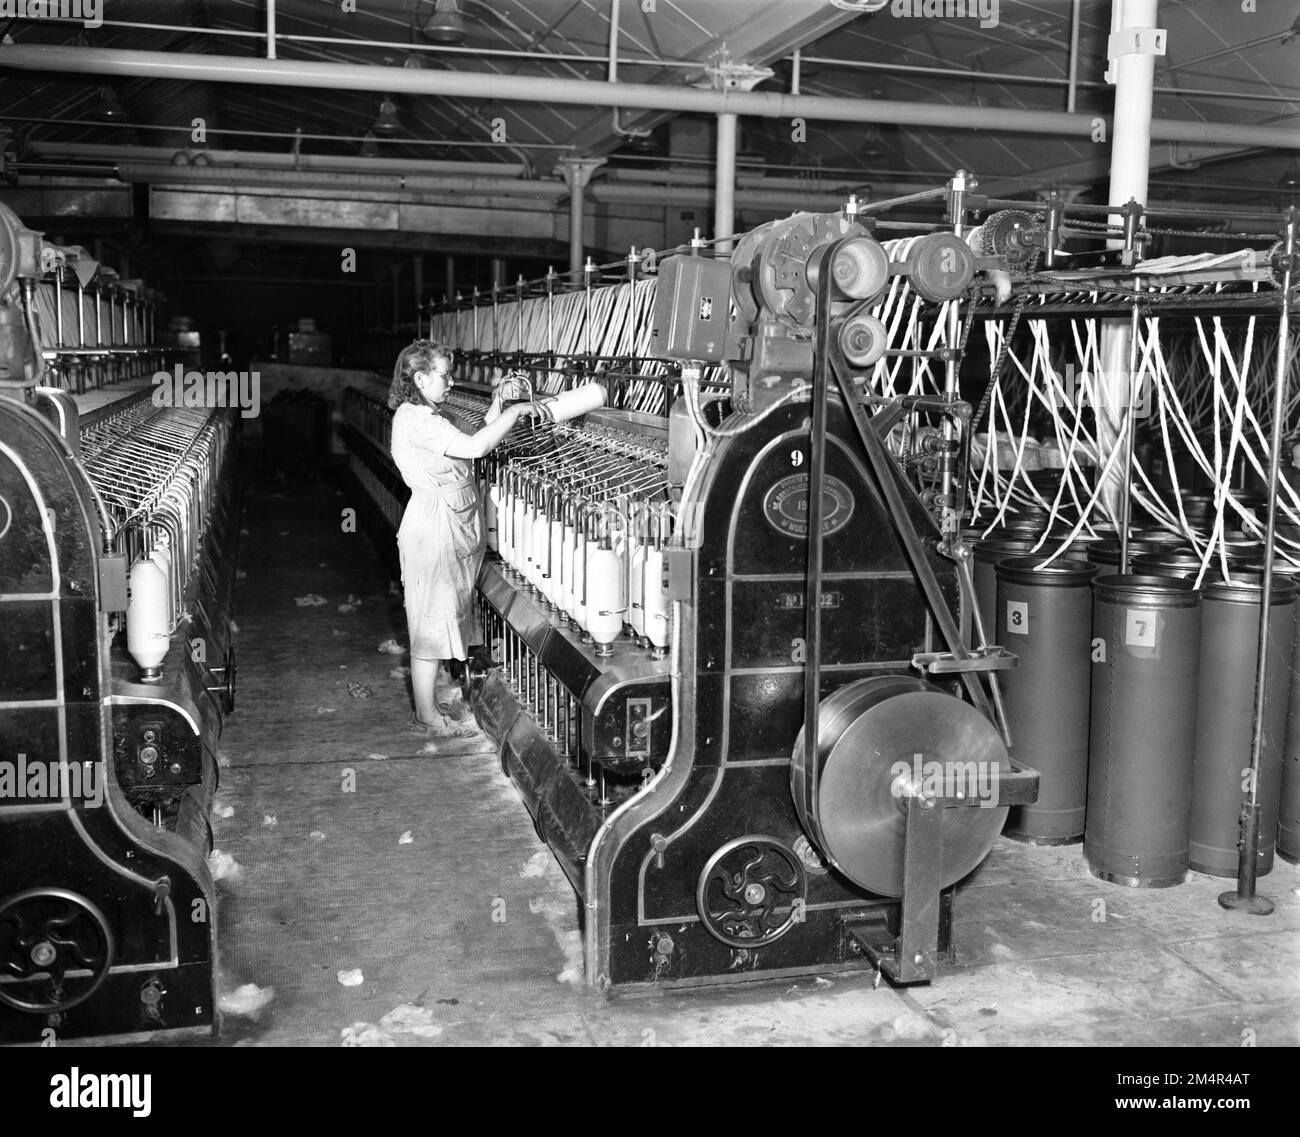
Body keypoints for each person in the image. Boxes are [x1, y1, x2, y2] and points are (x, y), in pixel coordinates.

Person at [387, 340, 547, 736]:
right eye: (445, 374)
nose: (452, 381)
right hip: (433, 530)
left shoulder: (434, 412)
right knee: (428, 622)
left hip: (449, 527)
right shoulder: (417, 420)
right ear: (421, 378)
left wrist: (497, 401)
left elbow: (476, 432)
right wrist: (518, 411)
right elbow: (477, 447)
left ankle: (428, 705)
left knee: (440, 616)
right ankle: (425, 714)